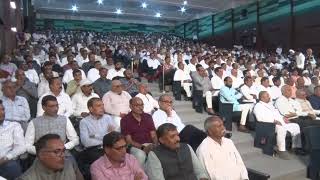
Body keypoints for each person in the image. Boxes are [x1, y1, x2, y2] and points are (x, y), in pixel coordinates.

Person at [254, 91, 302, 159]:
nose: (269, 97)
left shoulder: (270, 105)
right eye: (267, 96)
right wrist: (274, 121)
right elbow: (260, 118)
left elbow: (277, 114)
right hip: (269, 125)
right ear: (262, 98)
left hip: (281, 122)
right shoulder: (258, 106)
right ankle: (281, 150)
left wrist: (283, 118)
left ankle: (296, 147)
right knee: (281, 129)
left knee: (295, 126)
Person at [18, 134, 84, 180]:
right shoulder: (27, 178)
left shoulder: (70, 163)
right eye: (57, 152)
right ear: (41, 155)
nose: (63, 155)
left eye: (63, 151)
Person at [78, 97, 116, 173]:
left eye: (102, 105)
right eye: (98, 106)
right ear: (91, 109)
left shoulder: (108, 118)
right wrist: (105, 137)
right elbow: (86, 142)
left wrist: (95, 136)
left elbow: (114, 136)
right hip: (94, 150)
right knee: (104, 160)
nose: (102, 108)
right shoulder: (84, 122)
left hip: (110, 147)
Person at [121, 97, 158, 165]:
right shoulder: (125, 120)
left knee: (158, 153)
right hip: (136, 146)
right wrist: (142, 147)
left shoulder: (148, 117)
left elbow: (153, 135)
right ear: (131, 106)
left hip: (150, 144)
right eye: (137, 105)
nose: (141, 108)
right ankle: (139, 174)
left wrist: (155, 145)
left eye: (142, 105)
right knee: (140, 155)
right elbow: (129, 140)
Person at [0, 100, 26, 180]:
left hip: (7, 162)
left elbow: (21, 147)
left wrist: (6, 158)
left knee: (12, 167)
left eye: (3, 109)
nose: (2, 112)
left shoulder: (14, 126)